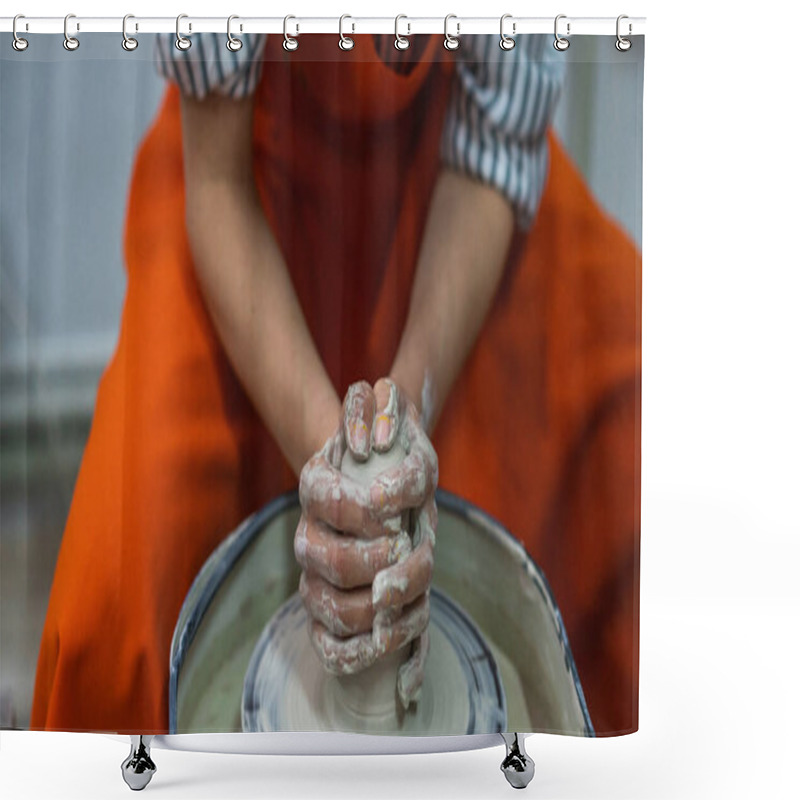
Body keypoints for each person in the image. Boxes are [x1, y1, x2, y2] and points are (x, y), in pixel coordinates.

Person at [30, 31, 640, 736]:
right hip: (247, 184)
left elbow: (492, 159)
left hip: (450, 192)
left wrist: (399, 433)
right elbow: (219, 185)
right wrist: (342, 482)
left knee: (641, 457)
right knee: (110, 621)